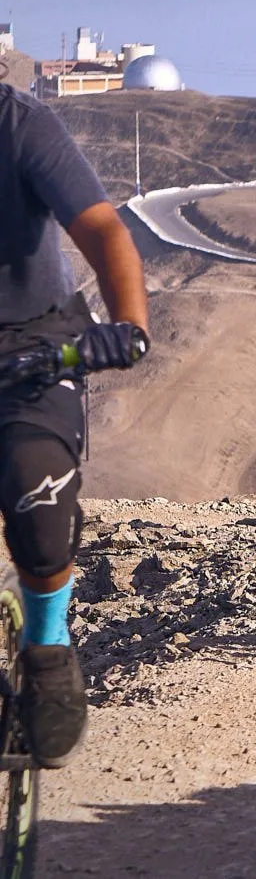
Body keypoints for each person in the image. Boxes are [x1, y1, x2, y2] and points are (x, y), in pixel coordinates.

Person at [1, 83, 150, 767]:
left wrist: (128, 328)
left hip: (32, 343)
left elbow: (100, 226)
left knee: (36, 488)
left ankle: (49, 645)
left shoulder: (19, 121)